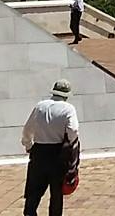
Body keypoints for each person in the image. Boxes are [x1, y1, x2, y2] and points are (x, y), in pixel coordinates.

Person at [21, 78, 80, 216]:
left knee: (33, 191)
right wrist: (71, 147)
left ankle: (29, 213)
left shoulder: (40, 106)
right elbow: (73, 131)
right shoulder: (68, 109)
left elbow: (27, 129)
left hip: (39, 152)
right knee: (56, 195)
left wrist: (28, 145)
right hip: (58, 154)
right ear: (66, 95)